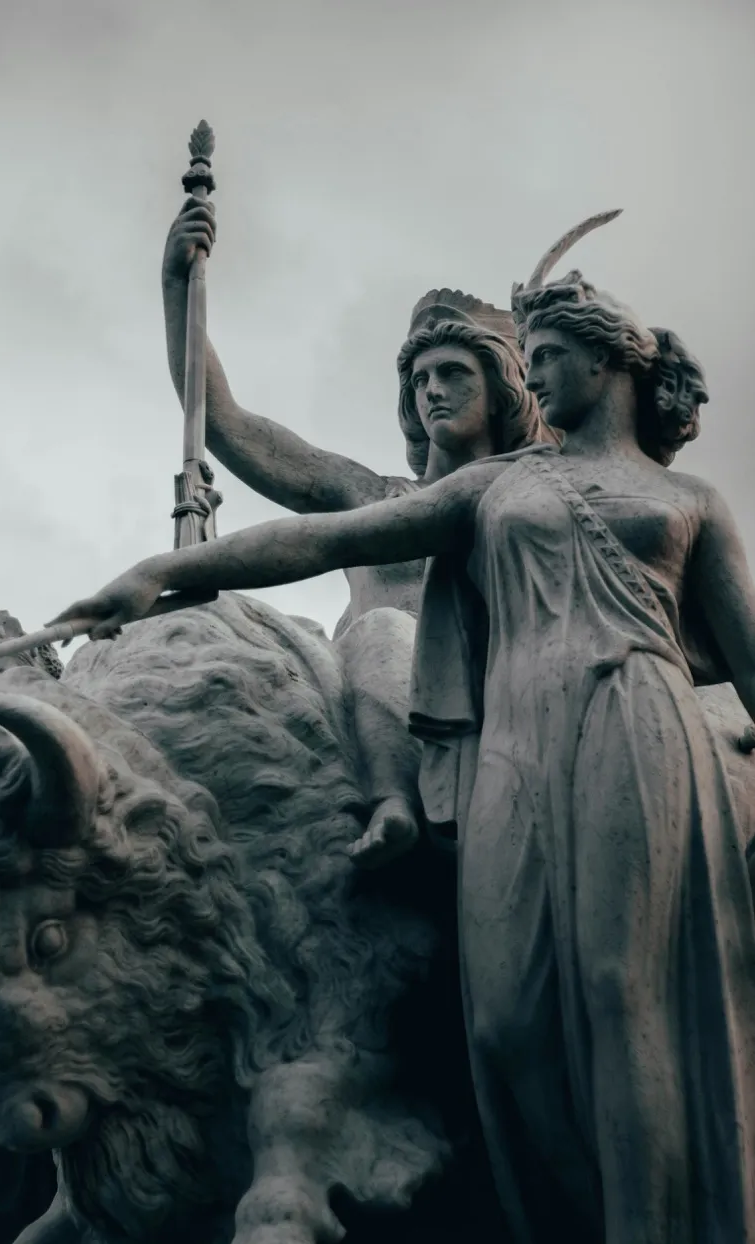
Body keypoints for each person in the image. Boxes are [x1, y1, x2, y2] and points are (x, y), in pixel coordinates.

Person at [51, 214, 755, 1244]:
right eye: (418, 374)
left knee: (619, 987)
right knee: (507, 1023)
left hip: (626, 717)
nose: (434, 390)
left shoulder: (670, 496)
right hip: (489, 739)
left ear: (581, 366)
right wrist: (164, 565)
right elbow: (294, 506)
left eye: (523, 361)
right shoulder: (458, 494)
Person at [164, 199, 547, 862]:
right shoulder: (369, 496)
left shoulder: (534, 501)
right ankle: (393, 805)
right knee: (383, 631)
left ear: (503, 387)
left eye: (453, 373)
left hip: (508, 707)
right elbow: (225, 423)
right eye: (419, 379)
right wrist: (176, 286)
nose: (432, 390)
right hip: (387, 724)